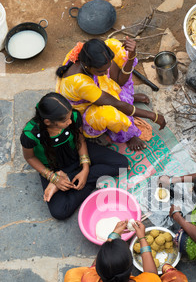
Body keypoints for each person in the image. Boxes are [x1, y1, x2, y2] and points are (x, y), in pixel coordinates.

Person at [20, 92, 129, 220]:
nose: (70, 121)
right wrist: (53, 177)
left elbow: (80, 140)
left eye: (70, 117)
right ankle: (83, 181)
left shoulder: (74, 117)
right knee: (60, 212)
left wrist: (85, 168)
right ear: (48, 122)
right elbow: (30, 158)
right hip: (52, 168)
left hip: (76, 153)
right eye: (65, 120)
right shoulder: (30, 134)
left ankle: (71, 179)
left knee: (121, 164)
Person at [55, 36, 166, 151]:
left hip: (95, 91)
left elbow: (119, 80)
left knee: (115, 45)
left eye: (106, 69)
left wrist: (131, 55)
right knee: (111, 114)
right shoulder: (80, 83)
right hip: (84, 108)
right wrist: (153, 116)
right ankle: (127, 136)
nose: (105, 74)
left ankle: (127, 98)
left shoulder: (89, 54)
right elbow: (118, 105)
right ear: (87, 65)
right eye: (100, 71)